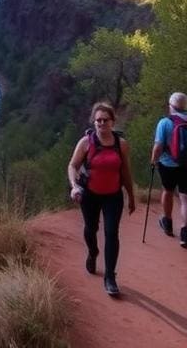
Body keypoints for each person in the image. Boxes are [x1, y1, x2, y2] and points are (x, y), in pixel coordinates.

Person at [68, 101, 136, 296]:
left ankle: (110, 277)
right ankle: (92, 252)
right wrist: (74, 186)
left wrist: (131, 196)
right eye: (98, 120)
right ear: (93, 121)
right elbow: (72, 166)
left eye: (105, 120)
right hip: (89, 195)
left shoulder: (121, 144)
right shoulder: (85, 143)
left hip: (113, 196)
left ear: (113, 121)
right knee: (91, 229)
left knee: (111, 233)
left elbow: (126, 172)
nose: (101, 123)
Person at [150, 91, 187, 250]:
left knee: (167, 191)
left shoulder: (165, 122)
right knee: (186, 199)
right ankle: (185, 232)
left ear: (171, 106)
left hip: (168, 164)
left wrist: (153, 160)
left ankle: (167, 222)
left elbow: (158, 146)